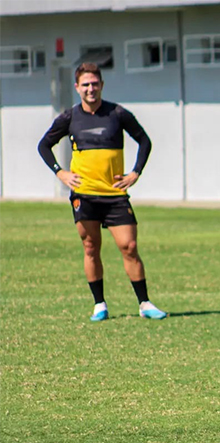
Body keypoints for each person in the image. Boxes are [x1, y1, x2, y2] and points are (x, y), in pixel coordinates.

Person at [37, 63, 166, 322]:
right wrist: (60, 172)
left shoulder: (117, 114)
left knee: (129, 246)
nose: (90, 88)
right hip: (84, 194)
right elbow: (44, 145)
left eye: (95, 83)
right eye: (85, 84)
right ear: (77, 88)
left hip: (115, 194)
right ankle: (100, 304)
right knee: (90, 246)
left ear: (102, 85)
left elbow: (144, 140)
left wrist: (135, 173)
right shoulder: (69, 117)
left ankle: (144, 303)